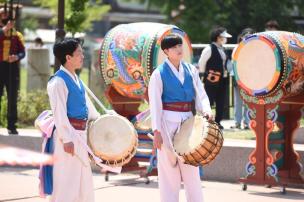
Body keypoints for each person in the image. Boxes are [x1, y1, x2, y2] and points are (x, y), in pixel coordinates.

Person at [149, 34, 213, 202]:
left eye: (180, 45)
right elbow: (155, 104)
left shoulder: (191, 70)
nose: (179, 49)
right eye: (174, 47)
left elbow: (201, 94)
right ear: (166, 51)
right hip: (166, 124)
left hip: (188, 122)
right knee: (168, 171)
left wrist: (206, 110)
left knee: (192, 168)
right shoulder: (158, 74)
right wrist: (156, 131)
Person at [47, 38, 100, 202]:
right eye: (79, 53)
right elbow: (59, 114)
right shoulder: (58, 81)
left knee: (83, 182)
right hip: (68, 137)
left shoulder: (76, 79)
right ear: (68, 57)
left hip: (81, 135)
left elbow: (88, 109)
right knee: (66, 182)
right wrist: (67, 139)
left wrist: (103, 121)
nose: (83, 56)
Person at [198, 27, 232, 129]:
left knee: (221, 101)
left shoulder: (223, 48)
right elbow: (201, 63)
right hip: (211, 79)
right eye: (223, 37)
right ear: (218, 37)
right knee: (209, 100)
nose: (225, 39)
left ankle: (218, 121)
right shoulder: (209, 48)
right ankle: (205, 121)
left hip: (223, 79)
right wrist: (203, 75)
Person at [0, 15, 25, 135]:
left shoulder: (17, 34)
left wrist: (17, 57)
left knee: (12, 98)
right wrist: (5, 29)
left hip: (12, 68)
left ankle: (11, 125)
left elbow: (22, 52)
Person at [228, 28, 255, 130]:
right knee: (238, 101)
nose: (248, 38)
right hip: (239, 77)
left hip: (250, 78)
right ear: (242, 37)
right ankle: (237, 122)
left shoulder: (255, 48)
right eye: (246, 36)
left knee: (248, 102)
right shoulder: (238, 48)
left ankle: (247, 122)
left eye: (251, 36)